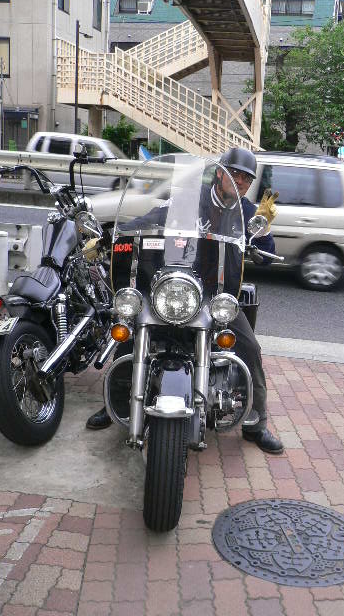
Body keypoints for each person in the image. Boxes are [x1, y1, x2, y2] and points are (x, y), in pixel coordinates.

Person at [86, 148, 284, 455]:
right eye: (235, 174)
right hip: (176, 285)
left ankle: (256, 424)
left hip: (215, 293)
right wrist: (114, 236)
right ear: (220, 173)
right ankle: (116, 404)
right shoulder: (189, 199)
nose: (240, 182)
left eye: (246, 178)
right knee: (132, 332)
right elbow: (151, 219)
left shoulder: (246, 211)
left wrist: (263, 228)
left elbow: (267, 253)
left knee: (250, 348)